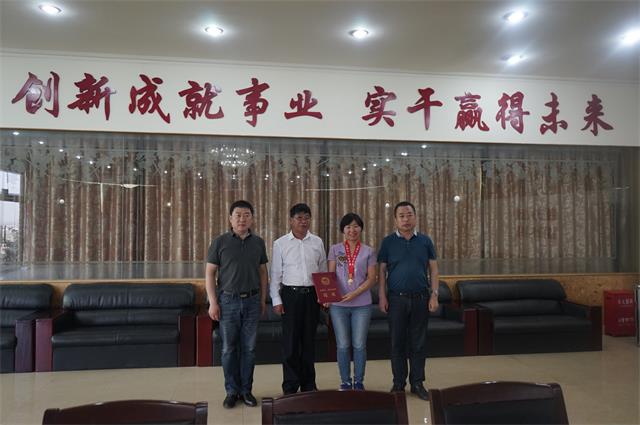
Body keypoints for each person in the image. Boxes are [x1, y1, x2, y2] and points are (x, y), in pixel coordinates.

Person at [205, 200, 268, 409]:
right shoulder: (219, 242)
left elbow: (263, 273)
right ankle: (231, 391)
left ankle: (246, 390)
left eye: (246, 215)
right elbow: (210, 273)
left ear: (252, 219)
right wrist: (213, 302)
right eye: (238, 215)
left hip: (252, 301)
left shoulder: (258, 242)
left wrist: (262, 300)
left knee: (249, 349)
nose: (242, 219)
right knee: (228, 349)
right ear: (230, 219)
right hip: (227, 301)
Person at [377, 201, 439, 401]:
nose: (406, 219)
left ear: (415, 216)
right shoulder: (388, 242)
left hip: (421, 298)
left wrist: (434, 295)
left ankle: (417, 383)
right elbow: (381, 271)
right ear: (395, 219)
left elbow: (434, 269)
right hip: (396, 299)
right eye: (401, 216)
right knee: (397, 343)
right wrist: (382, 296)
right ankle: (398, 383)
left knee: (418, 343)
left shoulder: (425, 241)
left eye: (409, 215)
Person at [270, 203, 327, 395]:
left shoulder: (317, 242)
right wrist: (276, 299)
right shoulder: (280, 243)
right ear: (291, 220)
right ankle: (290, 386)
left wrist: (324, 295)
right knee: (291, 343)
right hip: (290, 296)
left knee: (309, 342)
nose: (303, 222)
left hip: (312, 296)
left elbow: (322, 270)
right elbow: (275, 274)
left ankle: (309, 384)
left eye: (306, 218)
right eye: (299, 218)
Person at [327, 213, 377, 391]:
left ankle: (359, 381)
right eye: (348, 226)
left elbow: (372, 278)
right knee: (342, 345)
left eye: (356, 226)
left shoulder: (369, 251)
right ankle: (345, 381)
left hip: (362, 305)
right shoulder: (335, 249)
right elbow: (330, 276)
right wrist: (327, 297)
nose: (352, 230)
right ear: (343, 229)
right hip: (338, 306)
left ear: (361, 228)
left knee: (359, 345)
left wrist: (354, 293)